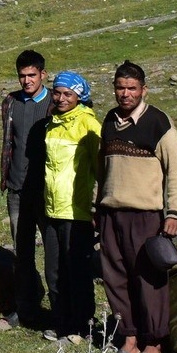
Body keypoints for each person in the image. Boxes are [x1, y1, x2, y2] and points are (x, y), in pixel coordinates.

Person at [97, 60, 177, 353]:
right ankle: (130, 338)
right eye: (120, 88)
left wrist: (174, 213)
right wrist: (96, 206)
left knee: (149, 280)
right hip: (111, 213)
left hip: (146, 216)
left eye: (132, 88)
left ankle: (155, 343)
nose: (125, 94)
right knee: (115, 277)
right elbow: (102, 169)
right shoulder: (109, 120)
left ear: (143, 90)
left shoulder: (158, 122)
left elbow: (176, 170)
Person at [33, 71, 100, 338]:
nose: (60, 98)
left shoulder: (88, 124)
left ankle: (81, 324)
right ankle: (59, 319)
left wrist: (96, 206)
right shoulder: (52, 123)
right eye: (57, 93)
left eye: (67, 94)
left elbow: (100, 169)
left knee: (77, 271)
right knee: (53, 270)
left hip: (78, 210)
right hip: (52, 209)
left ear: (79, 96)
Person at [0, 49, 51, 327]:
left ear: (43, 74)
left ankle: (60, 310)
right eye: (22, 76)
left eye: (32, 75)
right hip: (17, 190)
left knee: (55, 254)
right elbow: (9, 143)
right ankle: (24, 307)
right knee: (22, 252)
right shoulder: (11, 102)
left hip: (48, 192)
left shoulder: (57, 101)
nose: (27, 80)